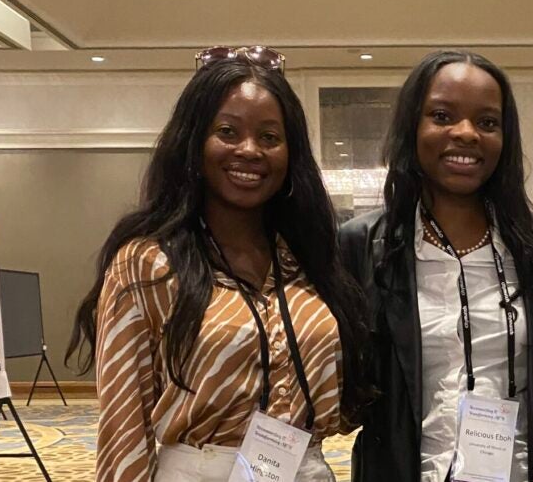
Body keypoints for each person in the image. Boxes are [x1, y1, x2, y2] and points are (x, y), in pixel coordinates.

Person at [66, 48, 370, 481]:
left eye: (269, 137)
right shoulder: (147, 263)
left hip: (305, 469)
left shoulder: (309, 261)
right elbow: (123, 428)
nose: (249, 150)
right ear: (193, 142)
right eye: (227, 131)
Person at [339, 50, 533, 482]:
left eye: (487, 123)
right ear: (414, 126)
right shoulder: (363, 246)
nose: (466, 134)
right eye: (443, 116)